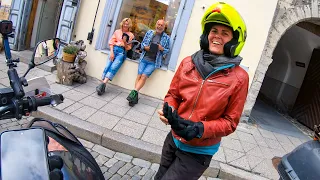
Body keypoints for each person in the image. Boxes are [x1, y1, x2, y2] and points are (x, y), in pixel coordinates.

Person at [154, 2, 249, 179]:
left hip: (198, 152)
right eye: (213, 31)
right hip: (173, 139)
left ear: (235, 40)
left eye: (225, 33)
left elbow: (230, 122)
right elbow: (173, 95)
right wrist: (170, 110)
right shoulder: (188, 62)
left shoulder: (239, 77)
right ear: (206, 35)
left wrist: (200, 129)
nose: (217, 36)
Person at [126, 19, 170, 106]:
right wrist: (145, 47)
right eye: (158, 24)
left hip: (154, 61)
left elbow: (167, 50)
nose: (159, 26)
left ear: (164, 27)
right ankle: (134, 98)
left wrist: (161, 48)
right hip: (144, 58)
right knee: (139, 76)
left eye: (161, 25)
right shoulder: (150, 32)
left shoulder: (166, 38)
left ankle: (133, 93)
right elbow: (142, 44)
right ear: (156, 25)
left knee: (143, 76)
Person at [96, 18, 135, 95]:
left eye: (127, 24)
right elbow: (111, 42)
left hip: (122, 52)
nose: (125, 25)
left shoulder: (131, 35)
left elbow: (129, 48)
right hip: (113, 50)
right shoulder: (117, 32)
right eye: (124, 23)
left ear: (129, 25)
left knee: (113, 67)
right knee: (107, 66)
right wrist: (111, 52)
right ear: (122, 23)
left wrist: (124, 42)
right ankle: (102, 85)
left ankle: (103, 84)